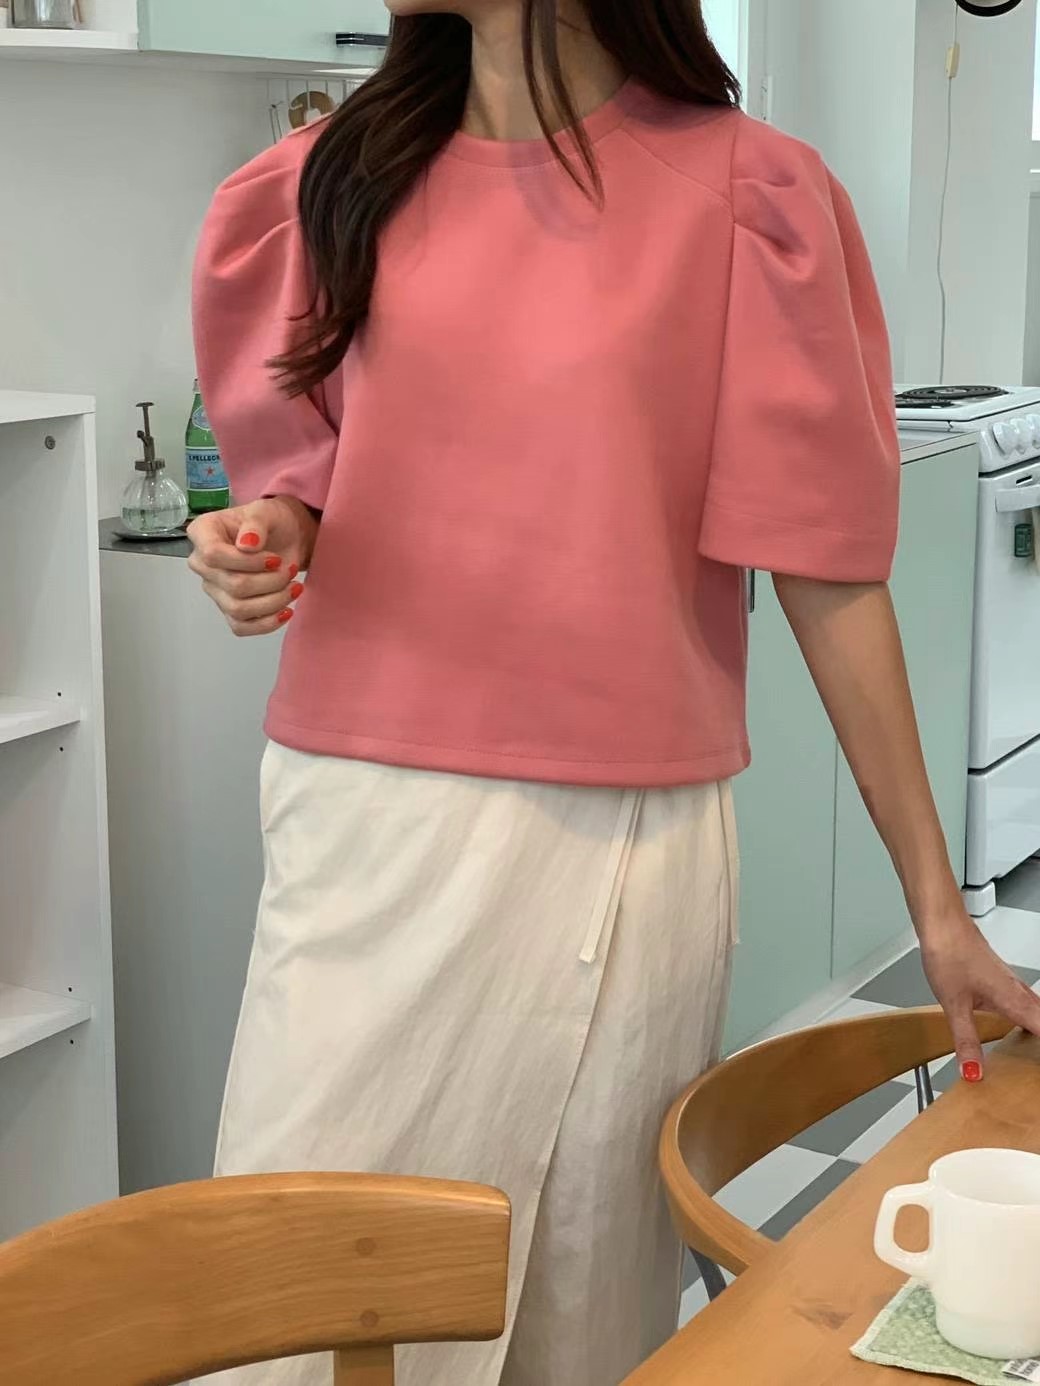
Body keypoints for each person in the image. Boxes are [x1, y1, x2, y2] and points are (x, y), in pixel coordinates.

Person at [188, 1, 1040, 1382]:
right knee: (297, 1292)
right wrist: (265, 533)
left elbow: (827, 576)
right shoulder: (321, 184)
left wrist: (939, 911)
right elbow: (304, 480)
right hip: (365, 827)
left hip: (627, 845)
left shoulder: (747, 198)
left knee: (582, 1298)